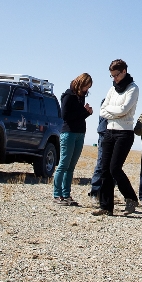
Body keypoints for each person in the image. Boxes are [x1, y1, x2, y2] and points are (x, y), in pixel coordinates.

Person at [93, 59, 140, 216]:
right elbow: (102, 110)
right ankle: (106, 206)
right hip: (109, 131)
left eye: (116, 75)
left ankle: (131, 198)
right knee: (104, 169)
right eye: (112, 76)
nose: (114, 78)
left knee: (115, 168)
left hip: (124, 133)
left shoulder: (133, 88)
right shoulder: (112, 89)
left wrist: (111, 111)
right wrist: (115, 111)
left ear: (124, 71)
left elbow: (124, 109)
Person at [53, 74, 93, 205]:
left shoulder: (81, 96)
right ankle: (57, 194)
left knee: (71, 167)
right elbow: (66, 116)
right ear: (80, 83)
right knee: (63, 165)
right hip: (69, 133)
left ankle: (66, 194)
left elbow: (79, 116)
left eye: (88, 87)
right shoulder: (68, 95)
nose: (87, 89)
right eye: (86, 86)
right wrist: (84, 112)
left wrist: (86, 113)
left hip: (80, 133)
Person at [87, 100, 107, 202]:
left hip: (115, 134)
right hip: (105, 134)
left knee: (113, 166)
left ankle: (106, 193)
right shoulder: (107, 101)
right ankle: (94, 192)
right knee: (101, 163)